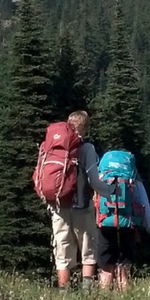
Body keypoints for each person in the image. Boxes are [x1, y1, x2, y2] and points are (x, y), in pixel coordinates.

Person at [48, 110, 112, 289]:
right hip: (82, 205)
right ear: (85, 128)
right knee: (88, 249)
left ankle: (64, 294)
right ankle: (87, 293)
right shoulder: (87, 148)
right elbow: (93, 178)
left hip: (59, 205)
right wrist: (109, 192)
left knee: (62, 249)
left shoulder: (54, 145)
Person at [95, 150, 150, 291]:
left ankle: (103, 299)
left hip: (105, 222)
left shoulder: (101, 178)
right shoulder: (134, 182)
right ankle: (124, 296)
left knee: (106, 264)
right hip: (128, 223)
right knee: (125, 264)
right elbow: (146, 210)